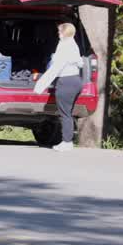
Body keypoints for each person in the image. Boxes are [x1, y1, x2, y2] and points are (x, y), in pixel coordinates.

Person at [33, 22, 83, 151]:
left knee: (64, 114)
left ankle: (67, 142)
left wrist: (40, 85)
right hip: (76, 81)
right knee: (68, 113)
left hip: (65, 82)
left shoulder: (64, 46)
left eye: (60, 32)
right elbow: (80, 62)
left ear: (65, 33)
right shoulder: (74, 45)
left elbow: (56, 68)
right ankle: (67, 140)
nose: (58, 34)